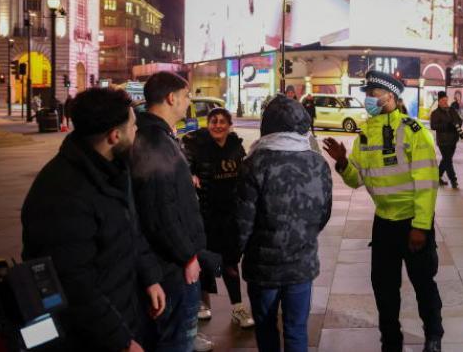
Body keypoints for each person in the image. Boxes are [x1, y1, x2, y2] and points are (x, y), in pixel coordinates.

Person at [21, 87, 165, 352]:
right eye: (133, 126)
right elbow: (75, 286)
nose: (137, 132)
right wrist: (120, 342)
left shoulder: (112, 169)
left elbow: (130, 229)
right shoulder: (62, 194)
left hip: (123, 310)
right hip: (90, 337)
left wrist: (150, 276)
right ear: (114, 136)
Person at [323, 71, 443, 352]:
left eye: (373, 93)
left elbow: (427, 184)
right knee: (384, 288)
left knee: (423, 283)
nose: (368, 99)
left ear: (391, 96)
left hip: (413, 222)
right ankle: (390, 341)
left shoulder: (414, 131)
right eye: (368, 94)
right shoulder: (365, 135)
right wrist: (342, 163)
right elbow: (357, 180)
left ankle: (434, 336)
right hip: (384, 223)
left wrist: (421, 226)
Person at [233, 95, 333, 352]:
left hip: (263, 268)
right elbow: (323, 214)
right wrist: (302, 236)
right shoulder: (318, 163)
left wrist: (231, 255)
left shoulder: (254, 164)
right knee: (297, 330)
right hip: (302, 265)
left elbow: (243, 222)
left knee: (266, 330)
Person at [131, 72, 212, 352]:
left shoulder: (154, 135)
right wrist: (187, 255)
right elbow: (158, 210)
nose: (188, 102)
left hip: (165, 263)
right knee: (176, 341)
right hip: (172, 268)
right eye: (187, 96)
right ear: (171, 97)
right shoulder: (155, 141)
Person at [181, 108, 255, 329]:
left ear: (229, 124)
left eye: (223, 122)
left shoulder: (235, 146)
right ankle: (202, 304)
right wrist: (191, 176)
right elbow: (185, 164)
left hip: (230, 215)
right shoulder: (196, 145)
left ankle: (238, 307)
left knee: (231, 263)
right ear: (208, 123)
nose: (218, 126)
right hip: (205, 214)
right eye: (214, 121)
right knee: (205, 261)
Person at [430, 91, 463, 189]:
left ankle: (437, 177)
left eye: (446, 100)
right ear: (439, 101)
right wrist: (447, 125)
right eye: (443, 100)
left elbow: (459, 120)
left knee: (446, 160)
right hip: (443, 141)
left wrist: (457, 124)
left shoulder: (452, 110)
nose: (445, 102)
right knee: (448, 160)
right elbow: (433, 126)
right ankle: (453, 180)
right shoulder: (435, 113)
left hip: (453, 139)